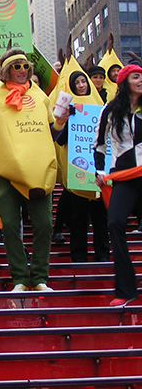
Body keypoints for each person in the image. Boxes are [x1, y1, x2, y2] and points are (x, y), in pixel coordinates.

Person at [0, 49, 69, 292]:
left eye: (25, 66)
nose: (22, 70)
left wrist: (60, 122)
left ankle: (40, 278)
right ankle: (21, 279)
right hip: (9, 176)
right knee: (11, 226)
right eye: (16, 66)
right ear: (5, 71)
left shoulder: (40, 97)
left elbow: (50, 134)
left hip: (39, 173)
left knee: (44, 225)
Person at [94, 64, 142, 306]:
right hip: (123, 176)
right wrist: (100, 171)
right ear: (125, 82)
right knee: (114, 222)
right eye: (136, 76)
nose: (141, 80)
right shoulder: (110, 110)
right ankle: (125, 289)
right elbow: (99, 145)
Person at [56, 71, 110, 262]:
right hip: (77, 171)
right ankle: (78, 255)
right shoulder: (68, 111)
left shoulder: (101, 108)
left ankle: (102, 253)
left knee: (100, 216)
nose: (81, 85)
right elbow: (59, 140)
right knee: (78, 217)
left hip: (97, 170)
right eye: (76, 82)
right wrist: (66, 121)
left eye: (83, 81)